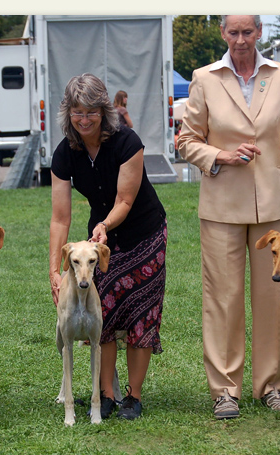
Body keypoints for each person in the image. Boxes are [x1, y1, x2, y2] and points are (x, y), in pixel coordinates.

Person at [177, 15, 280, 420]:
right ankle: (225, 390)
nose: (241, 40)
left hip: (273, 206)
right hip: (221, 206)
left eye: (248, 32)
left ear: (259, 33)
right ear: (223, 34)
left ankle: (273, 386)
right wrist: (218, 156)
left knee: (275, 297)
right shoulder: (205, 77)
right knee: (222, 299)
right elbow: (185, 140)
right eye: (233, 32)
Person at [49, 73, 166, 421]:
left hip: (143, 232)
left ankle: (134, 395)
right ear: (67, 113)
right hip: (100, 241)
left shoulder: (126, 141)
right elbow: (59, 218)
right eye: (76, 112)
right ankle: (107, 394)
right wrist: (54, 270)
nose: (84, 120)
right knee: (107, 312)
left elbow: (125, 200)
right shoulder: (65, 152)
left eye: (91, 112)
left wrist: (103, 225)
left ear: (104, 111)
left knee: (141, 314)